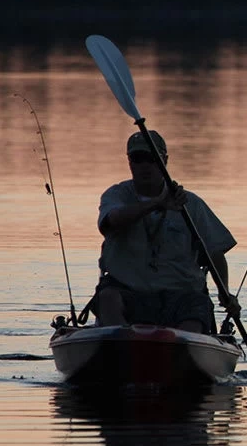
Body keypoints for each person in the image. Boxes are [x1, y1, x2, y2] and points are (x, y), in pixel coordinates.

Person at [93, 130, 236, 334]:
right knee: (108, 298)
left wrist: (225, 292)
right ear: (129, 162)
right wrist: (157, 204)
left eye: (152, 159)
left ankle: (187, 346)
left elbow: (214, 253)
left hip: (181, 295)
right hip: (128, 290)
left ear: (164, 160)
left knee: (196, 308)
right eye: (138, 158)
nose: (145, 166)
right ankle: (119, 340)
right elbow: (111, 221)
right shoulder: (116, 195)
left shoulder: (191, 205)